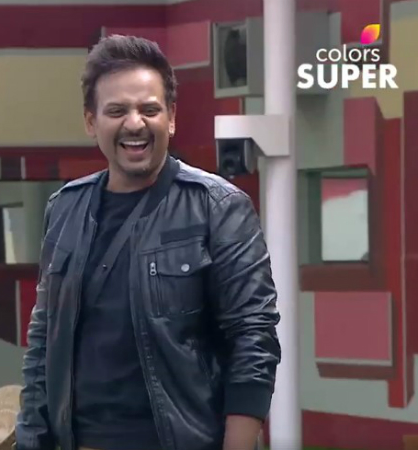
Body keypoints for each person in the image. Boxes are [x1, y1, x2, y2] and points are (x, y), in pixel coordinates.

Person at [15, 35, 281, 450]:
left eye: (149, 109)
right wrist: (31, 438)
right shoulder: (65, 208)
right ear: (91, 121)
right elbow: (43, 340)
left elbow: (253, 335)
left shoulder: (217, 206)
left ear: (171, 118)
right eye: (117, 111)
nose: (135, 123)